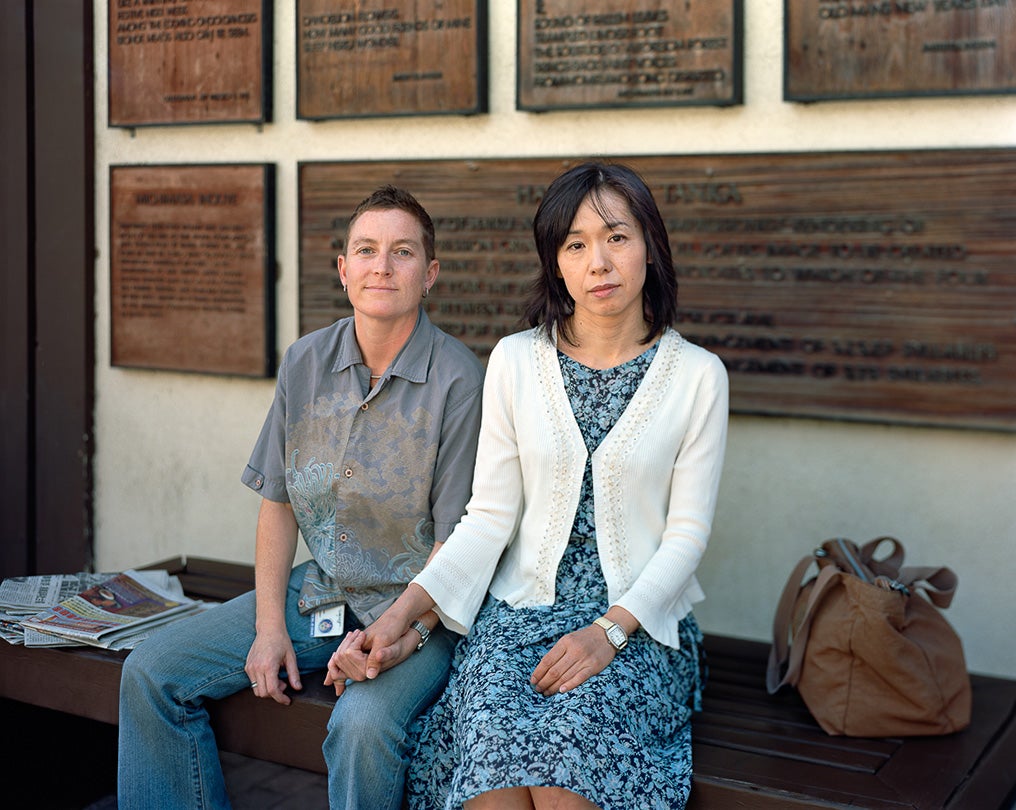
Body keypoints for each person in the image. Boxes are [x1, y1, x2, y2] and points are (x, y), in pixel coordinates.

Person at [336, 161, 729, 810]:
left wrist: (607, 633)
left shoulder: (697, 376)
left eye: (617, 237)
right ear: (556, 263)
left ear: (650, 247)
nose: (598, 262)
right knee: (492, 771)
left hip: (636, 624)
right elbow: (489, 517)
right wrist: (401, 614)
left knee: (564, 773)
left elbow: (686, 535)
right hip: (516, 618)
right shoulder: (517, 361)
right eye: (575, 244)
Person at [117, 185, 485, 810]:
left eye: (402, 252)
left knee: (361, 727)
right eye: (366, 250)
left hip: (421, 613)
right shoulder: (305, 362)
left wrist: (396, 633)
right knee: (153, 672)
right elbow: (279, 503)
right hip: (322, 592)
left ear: (430, 274)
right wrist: (268, 630)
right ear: (343, 269)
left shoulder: (460, 381)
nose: (382, 266)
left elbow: (455, 544)